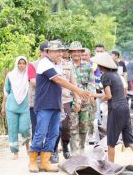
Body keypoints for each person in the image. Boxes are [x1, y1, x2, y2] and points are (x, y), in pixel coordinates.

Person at [28, 40, 90, 173]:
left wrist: (76, 93)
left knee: (54, 133)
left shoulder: (57, 64)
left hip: (56, 104)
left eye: (60, 51)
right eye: (55, 51)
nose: (59, 53)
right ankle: (33, 161)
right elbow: (59, 80)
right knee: (41, 133)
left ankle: (45, 162)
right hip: (44, 104)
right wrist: (77, 90)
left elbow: (63, 81)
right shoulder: (44, 63)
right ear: (48, 52)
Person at [91, 52, 133, 171]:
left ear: (101, 66)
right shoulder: (116, 75)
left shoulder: (105, 76)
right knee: (129, 138)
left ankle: (110, 167)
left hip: (115, 109)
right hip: (124, 107)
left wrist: (97, 97)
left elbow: (108, 96)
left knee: (111, 141)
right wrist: (97, 95)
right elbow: (113, 93)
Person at [68, 41, 95, 156]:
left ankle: (82, 148)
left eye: (79, 51)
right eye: (74, 51)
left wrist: (90, 96)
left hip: (85, 100)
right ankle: (74, 152)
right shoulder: (66, 66)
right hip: (70, 100)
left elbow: (91, 82)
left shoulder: (88, 66)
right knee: (73, 126)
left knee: (84, 125)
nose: (76, 53)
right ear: (70, 53)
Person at [1, 56, 31, 160]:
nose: (21, 65)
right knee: (12, 130)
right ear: (16, 64)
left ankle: (27, 146)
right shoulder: (10, 75)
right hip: (11, 106)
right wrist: (3, 106)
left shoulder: (29, 75)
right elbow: (6, 91)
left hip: (25, 106)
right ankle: (15, 152)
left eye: (24, 63)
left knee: (24, 128)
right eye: (19, 63)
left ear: (26, 64)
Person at [27, 41, 48, 139]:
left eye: (50, 51)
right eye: (46, 51)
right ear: (41, 52)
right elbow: (33, 82)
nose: (47, 54)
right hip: (35, 102)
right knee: (36, 128)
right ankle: (36, 152)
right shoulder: (32, 65)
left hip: (49, 102)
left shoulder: (53, 65)